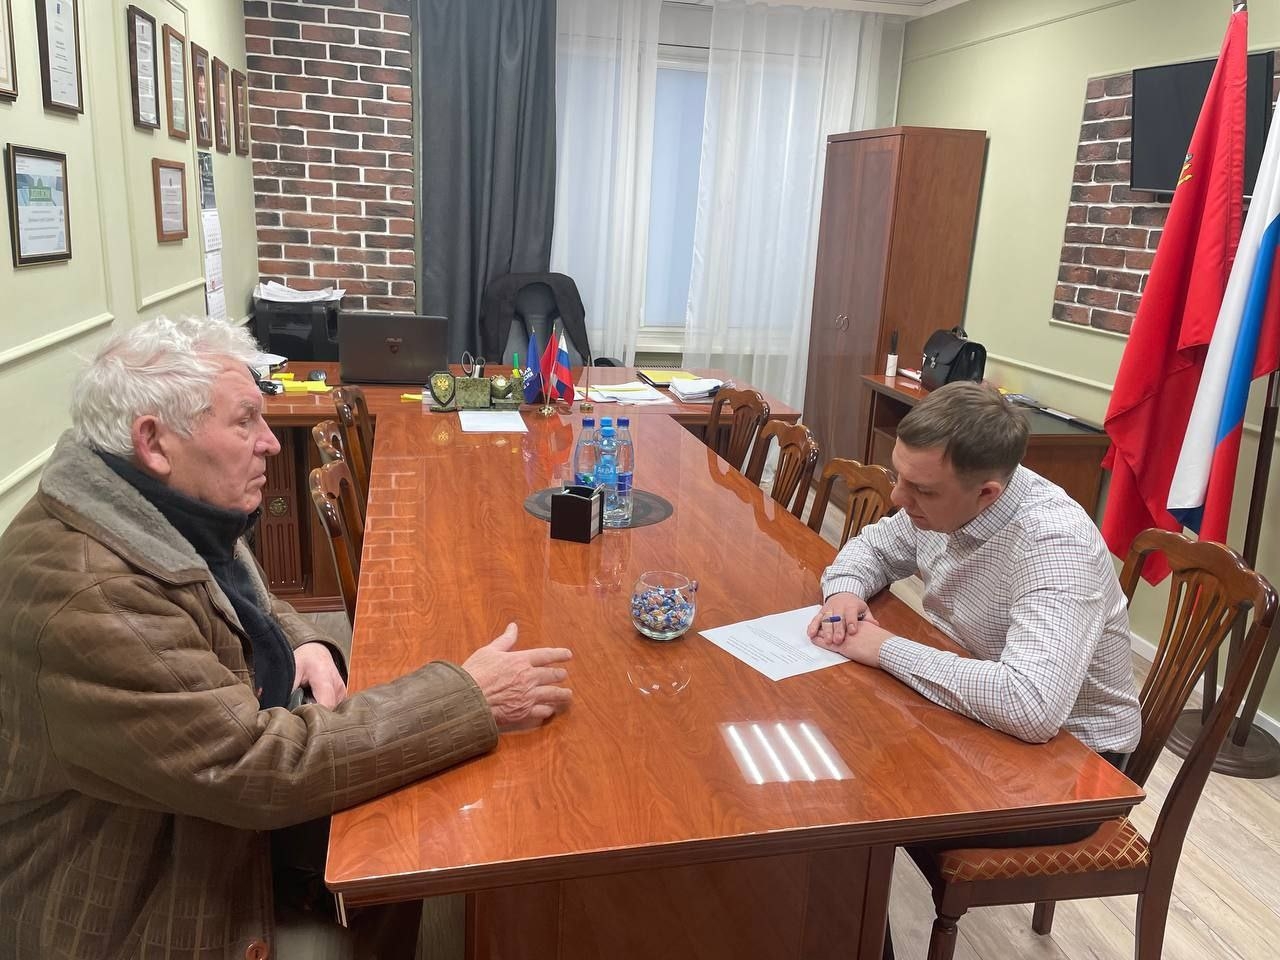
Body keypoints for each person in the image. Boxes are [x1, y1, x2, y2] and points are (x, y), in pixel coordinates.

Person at [0, 316, 572, 960]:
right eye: (245, 421)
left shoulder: (145, 502)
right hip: (135, 893)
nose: (271, 443)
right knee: (414, 823)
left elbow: (238, 592)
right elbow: (257, 768)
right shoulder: (95, 597)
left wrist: (304, 641)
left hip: (190, 808)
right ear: (153, 441)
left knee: (410, 806)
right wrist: (471, 695)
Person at [809, 380, 1141, 766]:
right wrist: (845, 593)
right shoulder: (945, 498)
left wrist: (882, 647)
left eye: (922, 490)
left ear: (987, 493)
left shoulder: (1056, 543)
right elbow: (873, 548)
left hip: (1075, 755)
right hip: (973, 687)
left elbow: (1030, 705)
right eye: (899, 476)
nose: (897, 497)